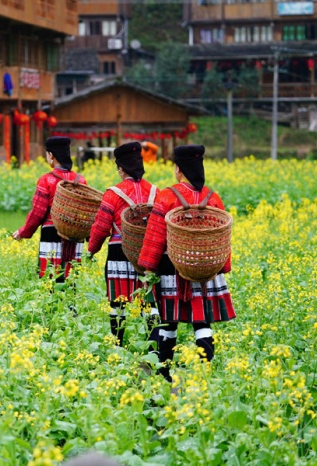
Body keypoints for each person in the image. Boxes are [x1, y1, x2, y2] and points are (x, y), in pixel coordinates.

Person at [138, 144, 235, 382]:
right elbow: (222, 236)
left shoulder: (168, 197)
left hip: (172, 267)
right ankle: (205, 374)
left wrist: (147, 268)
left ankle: (164, 374)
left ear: (179, 169)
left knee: (168, 322)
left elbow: (155, 236)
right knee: (202, 322)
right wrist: (222, 266)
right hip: (204, 270)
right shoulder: (213, 198)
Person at [87, 142, 158, 346]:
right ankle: (152, 344)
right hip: (148, 253)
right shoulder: (155, 191)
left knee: (118, 302)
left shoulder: (113, 194)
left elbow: (101, 227)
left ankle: (117, 345)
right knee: (149, 301)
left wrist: (91, 250)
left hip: (120, 252)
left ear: (121, 168)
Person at [13, 136, 86, 282]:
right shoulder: (80, 180)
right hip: (74, 235)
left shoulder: (46, 180)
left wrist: (24, 232)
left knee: (50, 280)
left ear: (51, 155)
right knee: (70, 281)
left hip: (51, 233)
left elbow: (38, 212)